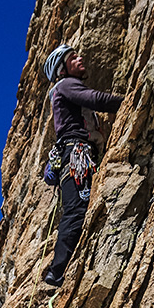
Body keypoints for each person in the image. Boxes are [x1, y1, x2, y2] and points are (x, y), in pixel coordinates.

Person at [43, 43, 124, 287]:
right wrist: (129, 100)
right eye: (72, 58)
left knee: (78, 208)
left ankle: (59, 269)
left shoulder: (64, 88)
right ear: (61, 69)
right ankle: (56, 273)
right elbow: (95, 99)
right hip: (76, 154)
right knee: (77, 210)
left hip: (77, 155)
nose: (79, 59)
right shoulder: (66, 85)